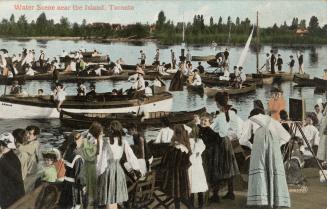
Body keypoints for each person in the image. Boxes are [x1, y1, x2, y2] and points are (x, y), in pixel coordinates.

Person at [239, 109, 291, 208]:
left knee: (261, 172)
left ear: (252, 115)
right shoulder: (273, 120)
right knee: (272, 170)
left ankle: (261, 200)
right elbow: (287, 136)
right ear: (263, 114)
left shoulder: (251, 120)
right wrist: (276, 145)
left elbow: (242, 140)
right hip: (274, 148)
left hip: (259, 147)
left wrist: (252, 146)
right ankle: (274, 199)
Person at [97, 120, 142, 209]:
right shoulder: (123, 142)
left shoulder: (107, 142)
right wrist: (138, 169)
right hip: (119, 171)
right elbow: (132, 157)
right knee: (115, 199)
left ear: (111, 130)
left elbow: (102, 161)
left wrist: (98, 173)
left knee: (109, 199)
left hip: (109, 171)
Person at [208, 92, 241, 202]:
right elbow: (235, 129)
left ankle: (216, 195)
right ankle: (231, 193)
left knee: (217, 167)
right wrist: (229, 134)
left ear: (217, 104)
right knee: (229, 167)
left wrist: (210, 127)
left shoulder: (221, 116)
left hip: (220, 142)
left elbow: (220, 132)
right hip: (227, 141)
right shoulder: (231, 113)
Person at [159, 124, 194, 209]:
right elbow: (188, 163)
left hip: (173, 175)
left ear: (175, 134)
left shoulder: (173, 148)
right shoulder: (185, 147)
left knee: (176, 196)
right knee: (180, 195)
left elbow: (165, 161)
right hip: (182, 175)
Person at [58, 132, 85, 209]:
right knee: (75, 206)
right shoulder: (78, 156)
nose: (82, 141)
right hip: (74, 187)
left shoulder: (66, 153)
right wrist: (83, 186)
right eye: (81, 139)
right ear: (76, 141)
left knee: (66, 205)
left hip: (66, 184)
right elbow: (79, 175)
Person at [80, 122, 103, 207]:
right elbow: (97, 154)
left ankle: (86, 206)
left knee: (85, 189)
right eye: (100, 132)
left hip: (86, 164)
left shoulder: (86, 135)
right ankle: (95, 206)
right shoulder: (95, 140)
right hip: (92, 165)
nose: (102, 134)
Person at [0, 132, 25, 209]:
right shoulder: (5, 156)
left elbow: (17, 179)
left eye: (3, 145)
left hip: (13, 198)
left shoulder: (12, 159)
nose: (1, 147)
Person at [188, 125, 208, 209]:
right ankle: (201, 206)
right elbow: (200, 151)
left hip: (190, 166)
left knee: (191, 186)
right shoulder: (200, 141)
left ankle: (191, 205)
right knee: (200, 186)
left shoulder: (187, 141)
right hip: (198, 167)